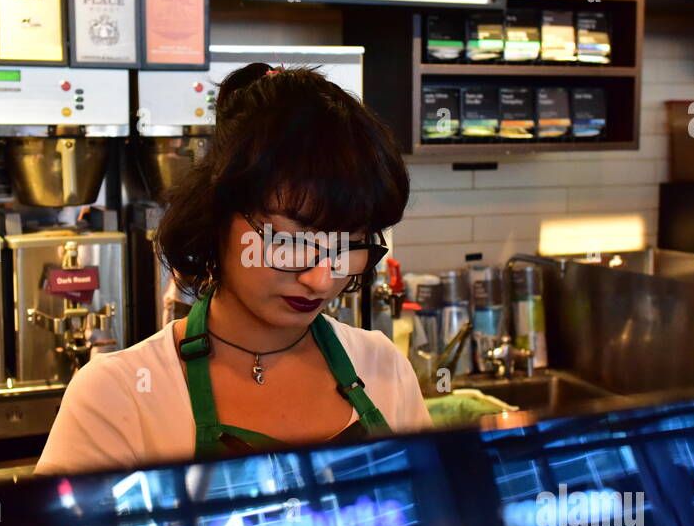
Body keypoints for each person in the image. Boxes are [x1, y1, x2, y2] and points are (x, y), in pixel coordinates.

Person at [36, 62, 431, 474]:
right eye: (291, 240)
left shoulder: (384, 368)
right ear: (218, 214)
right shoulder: (118, 395)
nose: (321, 278)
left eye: (349, 245)